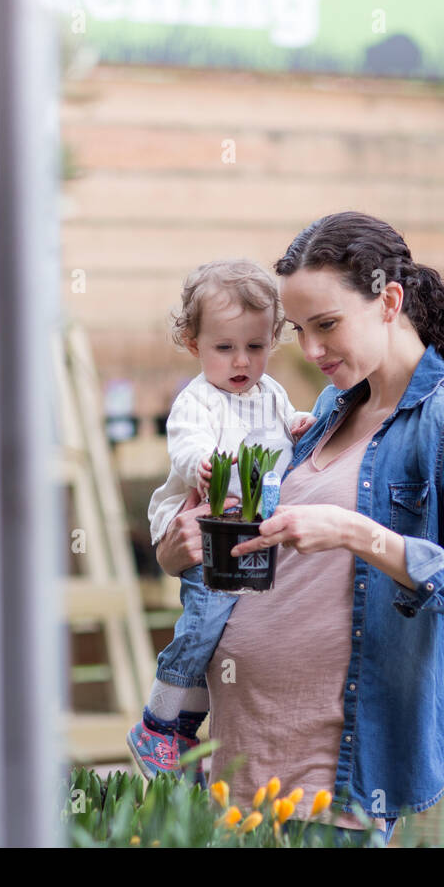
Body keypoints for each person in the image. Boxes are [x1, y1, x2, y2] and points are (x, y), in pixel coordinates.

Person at [155, 212, 444, 845]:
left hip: (335, 782)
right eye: (299, 331)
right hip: (237, 765)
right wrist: (175, 549)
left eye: (327, 325)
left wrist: (356, 533)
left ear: (388, 301)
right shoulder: (326, 410)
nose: (312, 351)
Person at [129, 259, 318, 786]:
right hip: (204, 523)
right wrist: (201, 464)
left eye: (255, 347)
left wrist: (298, 422)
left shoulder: (271, 394)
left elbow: (283, 434)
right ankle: (159, 721)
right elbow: (186, 445)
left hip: (248, 528)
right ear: (193, 344)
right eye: (224, 348)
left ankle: (185, 728)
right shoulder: (198, 400)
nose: (241, 361)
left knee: (228, 629)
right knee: (206, 619)